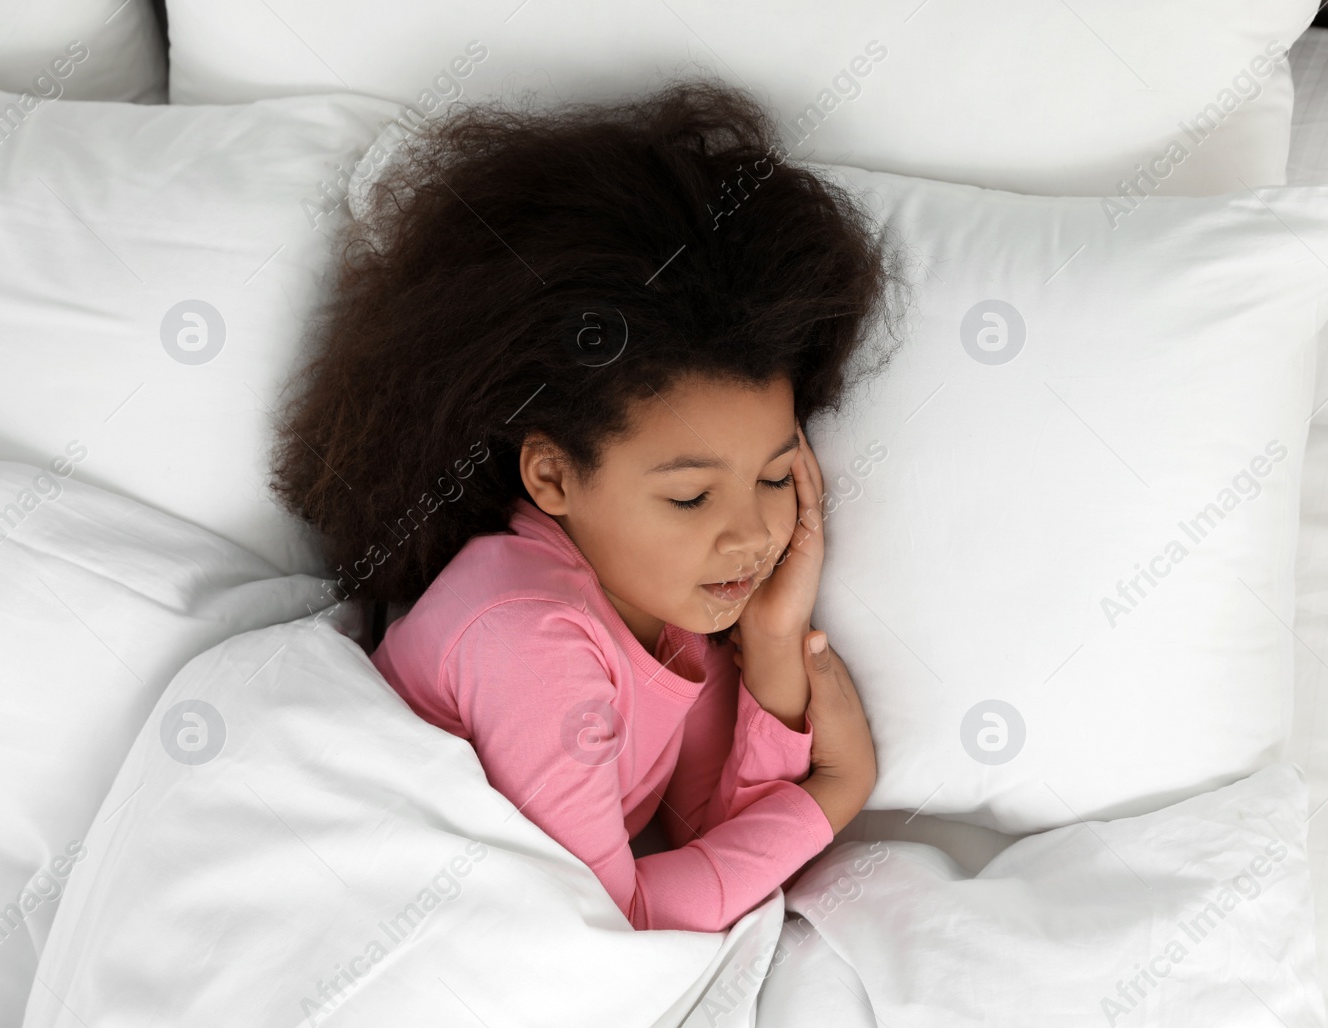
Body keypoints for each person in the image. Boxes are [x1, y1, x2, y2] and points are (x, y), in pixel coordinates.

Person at [268, 78, 898, 933]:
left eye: (779, 477)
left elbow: (708, 833)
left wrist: (772, 645)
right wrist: (836, 791)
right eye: (689, 494)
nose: (750, 533)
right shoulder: (530, 634)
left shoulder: (659, 588)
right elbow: (609, 922)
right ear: (554, 477)